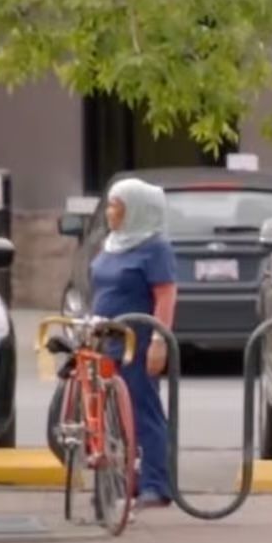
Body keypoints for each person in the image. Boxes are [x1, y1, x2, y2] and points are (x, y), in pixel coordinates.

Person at [91, 178, 177, 509]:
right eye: (111, 205)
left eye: (117, 206)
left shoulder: (155, 247)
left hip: (136, 338)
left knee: (143, 409)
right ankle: (129, 479)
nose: (110, 213)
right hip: (105, 336)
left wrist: (159, 339)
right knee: (114, 414)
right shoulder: (113, 243)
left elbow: (166, 295)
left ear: (137, 211)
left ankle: (156, 483)